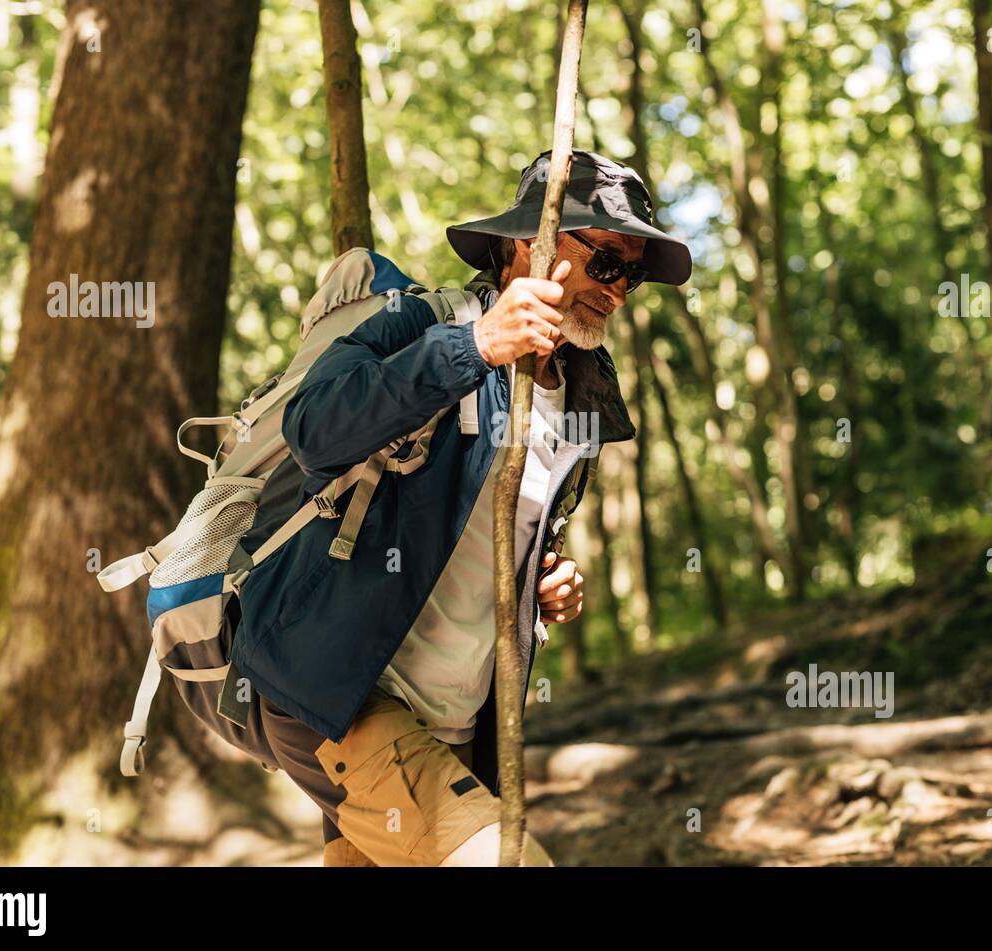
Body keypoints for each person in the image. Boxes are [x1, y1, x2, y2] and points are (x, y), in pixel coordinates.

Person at [231, 148, 692, 866]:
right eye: (607, 262)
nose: (621, 290)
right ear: (522, 246)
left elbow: (482, 533)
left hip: (454, 722)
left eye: (632, 273)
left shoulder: (583, 396)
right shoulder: (418, 325)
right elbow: (315, 429)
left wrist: (545, 580)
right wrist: (475, 345)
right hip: (344, 695)